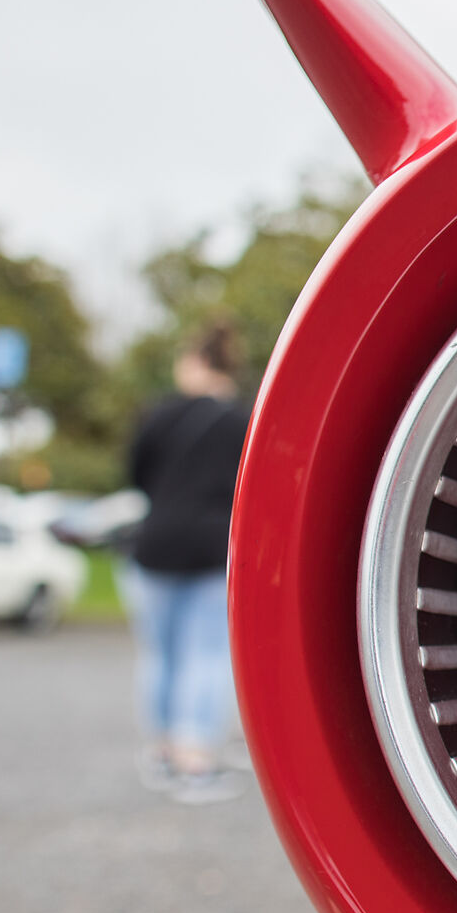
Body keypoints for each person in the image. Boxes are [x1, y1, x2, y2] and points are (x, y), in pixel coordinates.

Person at [125, 320, 252, 804]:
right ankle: (194, 760)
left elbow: (136, 473)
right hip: (209, 548)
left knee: (160, 654)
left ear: (196, 361)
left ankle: (160, 752)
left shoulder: (160, 414)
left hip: (155, 544)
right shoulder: (243, 420)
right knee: (205, 655)